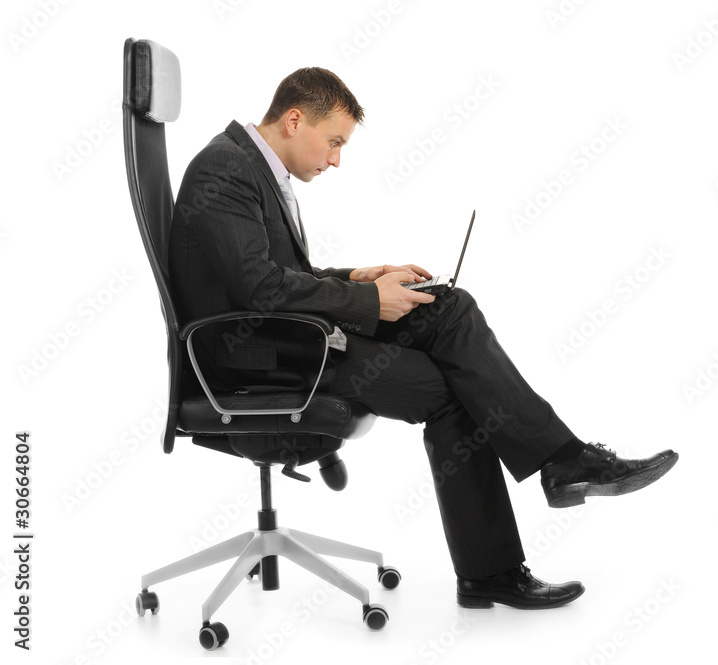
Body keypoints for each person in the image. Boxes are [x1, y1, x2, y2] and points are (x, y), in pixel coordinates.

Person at [168, 66, 679, 610]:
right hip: (256, 356)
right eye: (335, 142)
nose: (336, 159)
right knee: (457, 388)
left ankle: (562, 463)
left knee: (449, 307)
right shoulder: (226, 168)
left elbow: (276, 275)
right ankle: (496, 564)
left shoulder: (255, 168)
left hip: (287, 337)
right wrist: (368, 302)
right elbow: (261, 288)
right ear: (295, 121)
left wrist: (360, 277)